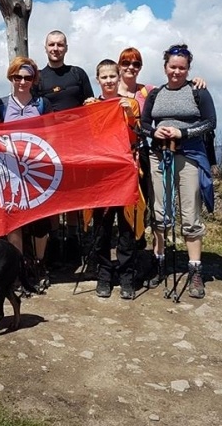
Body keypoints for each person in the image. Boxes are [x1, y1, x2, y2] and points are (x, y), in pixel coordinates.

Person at [140, 43, 216, 300]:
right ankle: (159, 263)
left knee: (190, 214)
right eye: (173, 67)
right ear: (165, 67)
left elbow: (210, 123)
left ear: (188, 69)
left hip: (189, 155)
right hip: (159, 155)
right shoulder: (155, 94)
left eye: (182, 68)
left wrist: (182, 132)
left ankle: (195, 271)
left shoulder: (198, 92)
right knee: (159, 212)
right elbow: (144, 123)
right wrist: (155, 132)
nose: (176, 72)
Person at [33, 30, 95, 266]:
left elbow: (91, 106)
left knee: (72, 195)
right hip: (48, 146)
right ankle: (53, 242)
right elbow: (33, 111)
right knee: (52, 194)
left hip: (76, 145)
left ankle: (72, 242)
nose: (55, 49)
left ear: (66, 48)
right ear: (45, 47)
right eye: (52, 44)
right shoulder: (38, 78)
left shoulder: (77, 74)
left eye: (60, 45)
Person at [0, 57, 54, 291]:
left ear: (34, 79)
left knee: (40, 221)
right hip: (9, 170)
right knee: (14, 220)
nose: (22, 81)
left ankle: (39, 264)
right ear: (11, 77)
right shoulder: (0, 105)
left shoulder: (42, 104)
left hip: (36, 171)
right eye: (17, 77)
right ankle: (17, 268)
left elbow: (52, 135)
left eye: (28, 77)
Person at [85, 59, 141, 299]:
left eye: (112, 76)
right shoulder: (91, 105)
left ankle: (127, 276)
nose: (108, 81)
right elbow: (86, 136)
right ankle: (104, 275)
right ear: (98, 80)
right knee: (102, 226)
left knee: (126, 226)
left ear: (119, 78)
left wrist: (129, 115)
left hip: (125, 172)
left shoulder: (131, 103)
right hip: (101, 174)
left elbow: (137, 136)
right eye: (104, 77)